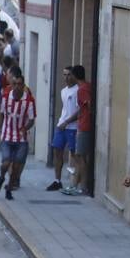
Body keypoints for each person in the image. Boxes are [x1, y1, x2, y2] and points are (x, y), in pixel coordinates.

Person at [0, 69, 36, 200]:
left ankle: (9, 188)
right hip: (7, 136)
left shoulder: (29, 101)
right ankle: (1, 178)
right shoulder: (6, 98)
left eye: (19, 84)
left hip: (21, 139)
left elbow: (32, 119)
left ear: (23, 86)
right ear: (12, 84)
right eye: (14, 84)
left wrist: (25, 127)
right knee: (6, 163)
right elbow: (1, 116)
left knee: (16, 167)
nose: (16, 86)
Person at [48, 64, 84, 192]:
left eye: (69, 75)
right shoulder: (63, 91)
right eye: (65, 75)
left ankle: (77, 183)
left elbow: (80, 111)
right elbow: (65, 109)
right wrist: (62, 122)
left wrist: (68, 122)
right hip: (61, 125)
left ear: (74, 76)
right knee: (57, 151)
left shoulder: (78, 90)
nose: (67, 77)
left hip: (72, 127)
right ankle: (57, 180)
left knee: (75, 155)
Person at [65, 65, 93, 195]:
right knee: (82, 157)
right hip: (85, 125)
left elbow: (88, 104)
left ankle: (83, 186)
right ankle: (76, 184)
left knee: (80, 157)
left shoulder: (81, 90)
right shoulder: (88, 86)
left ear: (75, 76)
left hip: (84, 125)